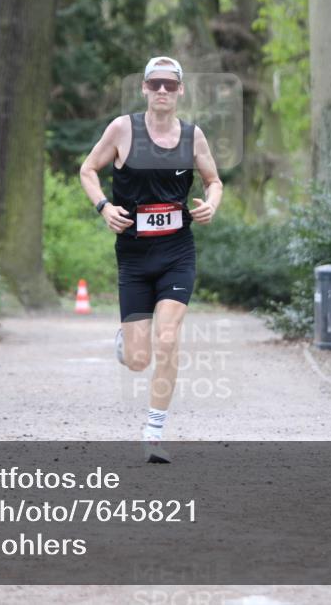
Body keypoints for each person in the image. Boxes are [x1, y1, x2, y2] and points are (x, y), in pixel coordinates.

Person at [79, 56, 223, 463]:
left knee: (168, 337)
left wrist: (211, 203)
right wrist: (104, 207)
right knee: (139, 359)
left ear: (180, 91)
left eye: (170, 85)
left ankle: (154, 431)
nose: (162, 91)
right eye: (155, 84)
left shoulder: (194, 136)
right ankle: (127, 342)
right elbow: (88, 169)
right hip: (134, 256)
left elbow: (214, 181)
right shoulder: (123, 129)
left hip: (177, 251)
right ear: (144, 88)